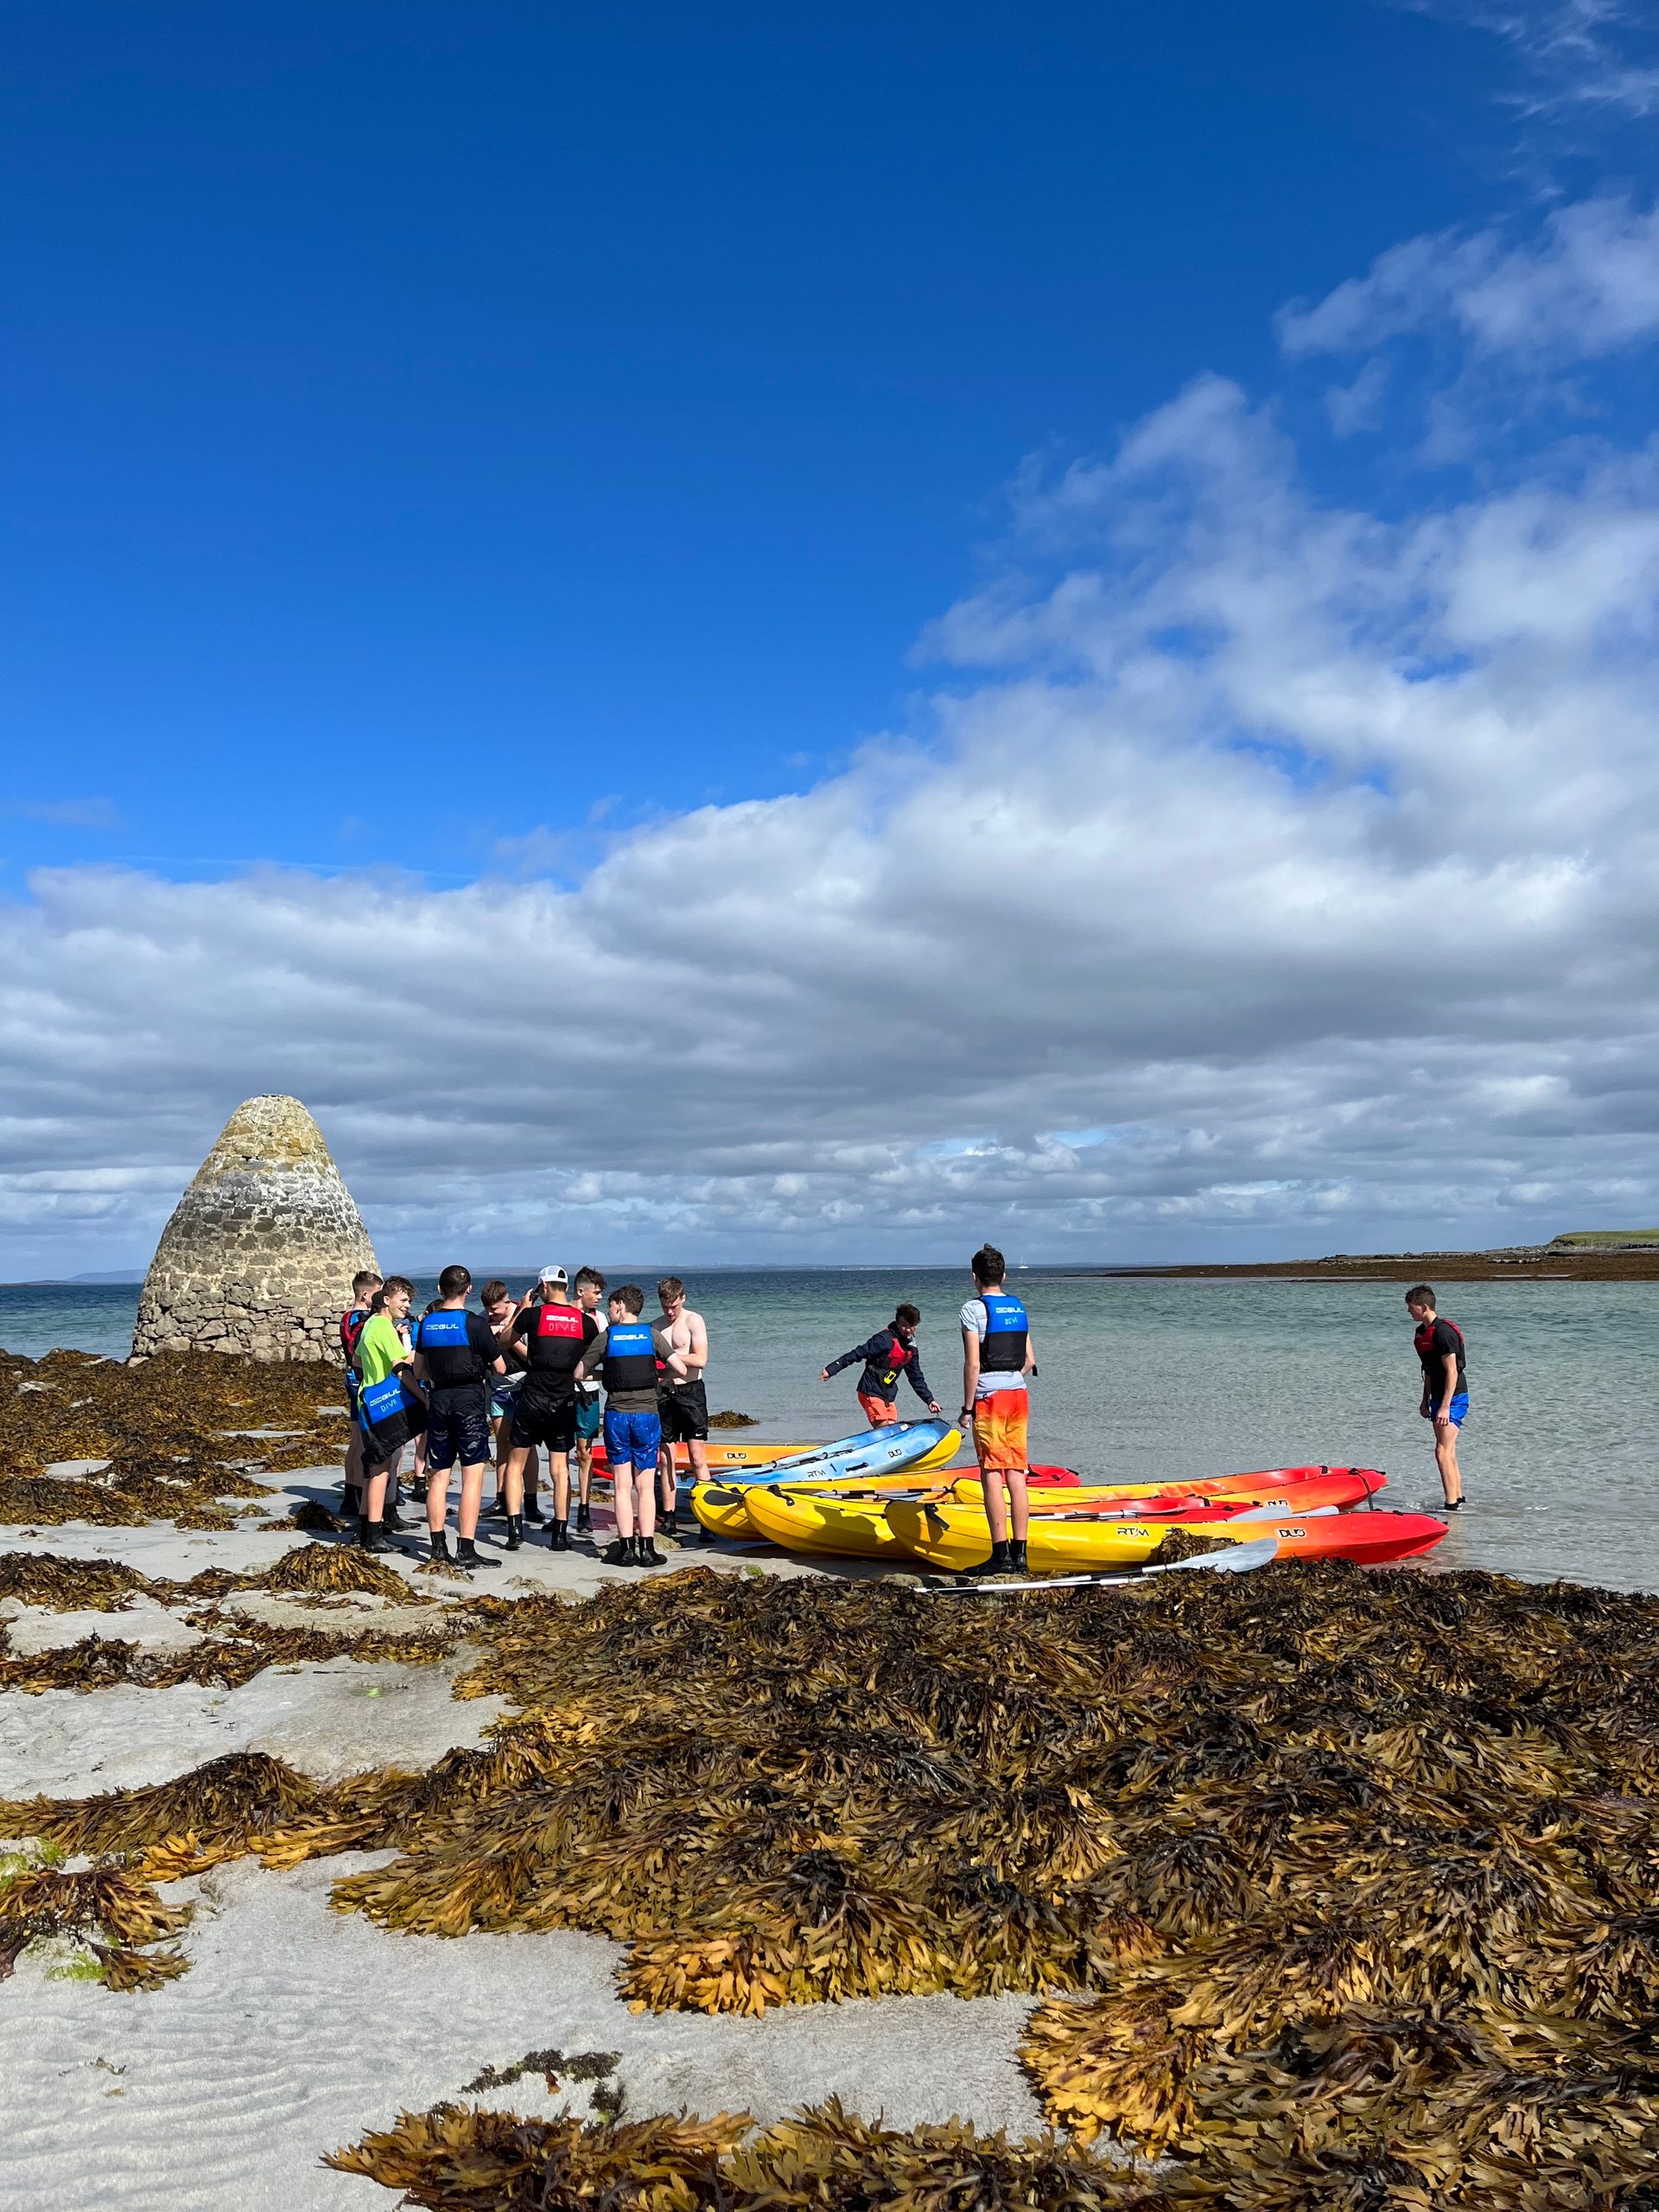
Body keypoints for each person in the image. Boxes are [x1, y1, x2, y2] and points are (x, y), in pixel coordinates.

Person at [411, 1265, 506, 1570]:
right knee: (472, 1476)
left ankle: (438, 1547)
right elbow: (501, 1368)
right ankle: (466, 1548)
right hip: (468, 1400)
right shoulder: (474, 1324)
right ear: (468, 1290)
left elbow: (419, 1371)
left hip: (438, 1399)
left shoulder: (426, 1324)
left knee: (438, 1475)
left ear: (440, 1290)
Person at [502, 1266, 599, 1552]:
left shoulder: (533, 1315)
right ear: (566, 1288)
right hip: (564, 1400)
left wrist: (522, 1309)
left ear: (543, 1287)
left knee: (516, 1463)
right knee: (559, 1468)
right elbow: (592, 1357)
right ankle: (559, 1534)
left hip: (532, 1397)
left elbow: (504, 1340)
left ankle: (515, 1530)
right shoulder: (585, 1321)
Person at [575, 1284, 666, 1568]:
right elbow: (679, 1366)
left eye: (612, 1307)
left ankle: (626, 1548)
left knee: (623, 1487)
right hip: (647, 1415)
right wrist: (660, 1378)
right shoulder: (652, 1334)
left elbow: (579, 1372)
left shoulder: (607, 1337)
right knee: (646, 1487)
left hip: (617, 1415)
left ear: (621, 1307)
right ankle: (648, 1549)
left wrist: (607, 1372)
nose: (609, 1312)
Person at [957, 1244, 1036, 1577]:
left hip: (989, 1397)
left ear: (975, 1277)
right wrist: (1010, 1380)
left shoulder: (972, 1310)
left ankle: (999, 1555)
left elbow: (973, 1364)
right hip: (1018, 1395)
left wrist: (967, 1407)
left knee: (991, 1472)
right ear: (1003, 1275)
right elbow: (1030, 1361)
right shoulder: (1017, 1307)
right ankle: (1021, 1557)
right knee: (1016, 1473)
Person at [352, 1276, 425, 1552]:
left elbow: (357, 1359)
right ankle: (375, 1534)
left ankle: (363, 1529)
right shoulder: (383, 1326)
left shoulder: (369, 1324)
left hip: (365, 1401)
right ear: (386, 1300)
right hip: (382, 1405)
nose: (407, 1306)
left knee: (372, 1468)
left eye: (409, 1301)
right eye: (403, 1300)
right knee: (381, 1469)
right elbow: (401, 1367)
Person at [820, 1304, 942, 1427]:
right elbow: (858, 1353)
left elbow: (916, 1377)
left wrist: (929, 1400)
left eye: (912, 1326)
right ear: (898, 1323)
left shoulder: (911, 1348)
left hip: (887, 1394)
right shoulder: (883, 1340)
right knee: (884, 1430)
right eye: (904, 1325)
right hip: (870, 1390)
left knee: (892, 1429)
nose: (908, 1330)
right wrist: (831, 1369)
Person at [653, 1276, 709, 1536]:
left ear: (682, 1298)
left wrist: (670, 1357)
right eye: (666, 1306)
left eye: (673, 1305)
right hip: (664, 1393)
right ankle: (669, 1517)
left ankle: (708, 1519)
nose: (670, 1311)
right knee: (666, 1460)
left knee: (698, 1458)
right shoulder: (655, 1327)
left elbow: (701, 1359)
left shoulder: (692, 1320)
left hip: (691, 1392)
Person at [481, 1279, 541, 1523]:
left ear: (506, 1302)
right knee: (503, 1444)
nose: (490, 1314)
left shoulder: (523, 1316)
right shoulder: (484, 1320)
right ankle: (502, 1498)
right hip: (498, 1389)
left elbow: (533, 1357)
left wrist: (507, 1338)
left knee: (528, 1447)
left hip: (523, 1386)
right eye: (486, 1309)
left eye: (494, 1309)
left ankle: (531, 1501)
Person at [1405, 1284, 1468, 1510]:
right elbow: (1429, 1370)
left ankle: (1450, 1505)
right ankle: (1458, 1498)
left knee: (1442, 1451)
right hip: (1437, 1396)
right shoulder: (1421, 1333)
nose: (1408, 1312)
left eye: (1411, 1308)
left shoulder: (1444, 1332)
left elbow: (1452, 1371)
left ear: (1423, 1306)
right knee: (1447, 1449)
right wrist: (1425, 1399)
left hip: (1453, 1397)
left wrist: (1444, 1406)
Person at [338, 1268, 382, 1516]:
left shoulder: (347, 1317)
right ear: (365, 1294)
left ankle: (351, 1494)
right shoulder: (360, 1319)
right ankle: (358, 1493)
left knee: (356, 1443)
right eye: (378, 1294)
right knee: (363, 1443)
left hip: (352, 1377)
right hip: (361, 1379)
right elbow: (359, 1349)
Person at [570, 1266, 607, 1534]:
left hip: (589, 1392)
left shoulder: (600, 1318)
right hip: (560, 1391)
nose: (599, 1297)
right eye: (596, 1293)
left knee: (585, 1453)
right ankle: (561, 1509)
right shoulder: (564, 1314)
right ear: (581, 1291)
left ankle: (583, 1509)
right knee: (559, 1452)